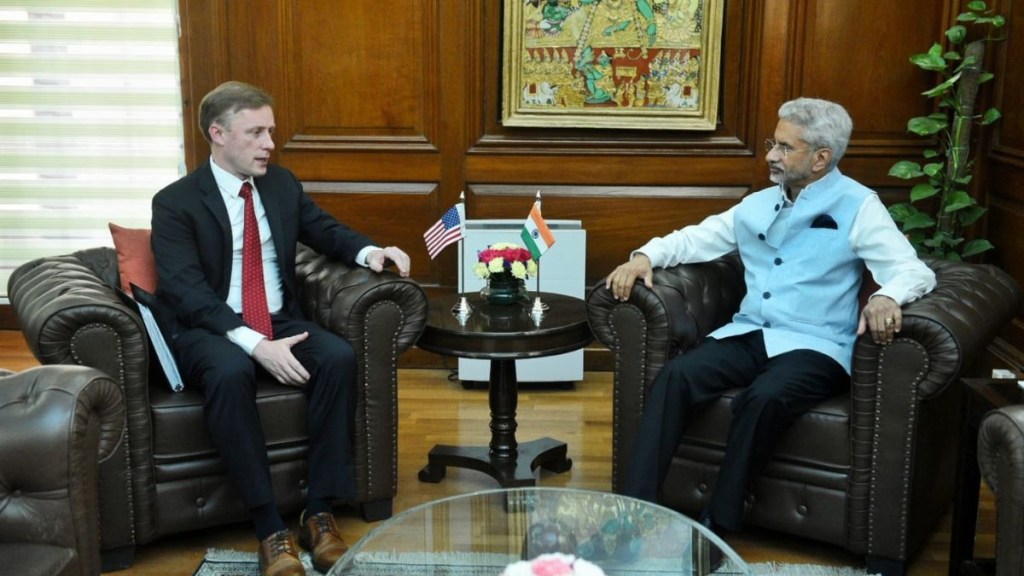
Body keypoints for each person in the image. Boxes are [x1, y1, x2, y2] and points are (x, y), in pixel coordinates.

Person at [603, 97, 936, 560]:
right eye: (771, 144)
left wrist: (887, 295)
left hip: (818, 344)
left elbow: (914, 270)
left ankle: (718, 525)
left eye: (784, 147)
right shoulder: (758, 204)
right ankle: (634, 511)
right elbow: (698, 237)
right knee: (676, 376)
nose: (771, 156)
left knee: (764, 398)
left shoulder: (860, 205)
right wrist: (645, 256)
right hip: (749, 333)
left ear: (820, 158)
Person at [151, 80, 411, 576]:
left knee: (337, 358)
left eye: (270, 131)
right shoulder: (175, 202)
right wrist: (256, 345)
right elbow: (186, 291)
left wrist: (370, 251)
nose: (269, 143)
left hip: (276, 315)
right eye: (256, 133)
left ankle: (319, 512)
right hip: (209, 326)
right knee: (230, 372)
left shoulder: (280, 184)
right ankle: (269, 526)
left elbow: (324, 230)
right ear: (218, 134)